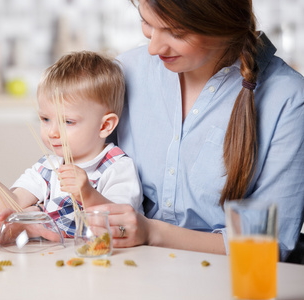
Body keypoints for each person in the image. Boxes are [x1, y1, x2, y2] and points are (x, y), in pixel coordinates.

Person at [88, 0, 304, 261]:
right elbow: (85, 165)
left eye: (177, 32)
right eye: (146, 22)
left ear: (223, 24)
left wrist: (152, 232)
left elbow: (271, 244)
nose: (154, 47)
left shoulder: (287, 98)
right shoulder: (127, 71)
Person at [0, 51, 143, 245]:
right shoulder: (48, 167)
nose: (52, 132)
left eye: (68, 121)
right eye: (45, 119)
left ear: (105, 126)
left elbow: (123, 225)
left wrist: (87, 193)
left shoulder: (117, 168)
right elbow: (12, 204)